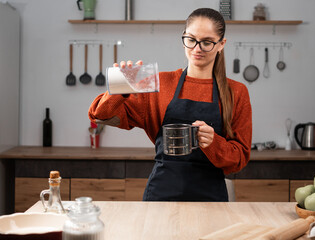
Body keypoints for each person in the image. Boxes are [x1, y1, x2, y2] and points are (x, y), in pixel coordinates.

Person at [88, 8, 252, 201]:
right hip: (161, 196)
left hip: (211, 199)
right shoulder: (160, 84)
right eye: (191, 40)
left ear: (221, 44)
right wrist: (120, 89)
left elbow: (239, 159)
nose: (197, 48)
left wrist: (213, 143)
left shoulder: (236, 92)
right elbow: (100, 116)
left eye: (207, 42)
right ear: (183, 38)